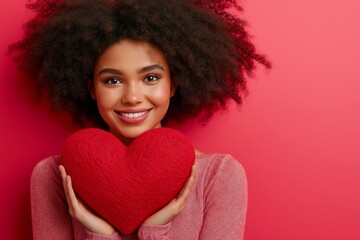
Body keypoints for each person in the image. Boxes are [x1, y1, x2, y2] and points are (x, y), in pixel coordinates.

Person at [10, 0, 270, 239]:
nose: (132, 97)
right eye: (113, 80)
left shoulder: (218, 176)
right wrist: (99, 233)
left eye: (151, 78)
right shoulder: (53, 177)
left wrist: (155, 231)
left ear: (173, 85)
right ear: (91, 88)